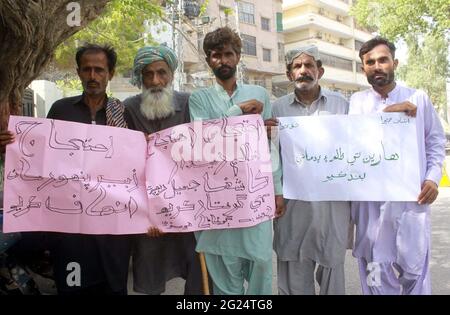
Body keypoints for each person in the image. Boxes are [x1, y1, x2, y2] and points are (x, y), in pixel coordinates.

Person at [1, 43, 131, 295]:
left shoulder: (123, 114)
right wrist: (11, 146)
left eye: (99, 70)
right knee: (72, 287)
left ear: (110, 73)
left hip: (111, 228)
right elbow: (39, 156)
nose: (93, 76)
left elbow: (137, 165)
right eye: (87, 69)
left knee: (112, 288)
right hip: (70, 228)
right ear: (79, 72)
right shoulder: (61, 110)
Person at [188, 26, 284, 295]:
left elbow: (270, 147)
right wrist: (237, 111)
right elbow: (203, 145)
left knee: (262, 265)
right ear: (208, 60)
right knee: (224, 278)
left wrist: (277, 191)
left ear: (238, 56)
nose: (223, 60)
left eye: (228, 54)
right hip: (218, 199)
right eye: (216, 55)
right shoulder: (199, 98)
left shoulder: (260, 95)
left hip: (255, 194)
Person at [349, 37, 446, 295]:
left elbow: (435, 142)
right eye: (370, 62)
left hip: (410, 202)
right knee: (375, 275)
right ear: (363, 68)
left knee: (415, 274)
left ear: (395, 62)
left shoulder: (418, 98)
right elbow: (351, 141)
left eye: (383, 60)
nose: (377, 66)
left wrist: (433, 178)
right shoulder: (356, 102)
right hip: (370, 209)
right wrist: (388, 114)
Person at [267, 45, 351, 295]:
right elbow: (271, 157)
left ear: (320, 71)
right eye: (297, 66)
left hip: (331, 208)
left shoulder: (342, 106)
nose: (303, 70)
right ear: (289, 74)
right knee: (293, 278)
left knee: (332, 278)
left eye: (309, 65)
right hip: (293, 208)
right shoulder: (276, 110)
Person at [123, 45, 203, 295]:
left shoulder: (191, 103)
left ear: (171, 74)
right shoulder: (128, 108)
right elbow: (121, 161)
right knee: (149, 270)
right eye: (148, 74)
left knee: (196, 269)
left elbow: (207, 147)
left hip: (187, 206)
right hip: (146, 208)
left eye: (162, 73)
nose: (156, 81)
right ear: (140, 77)